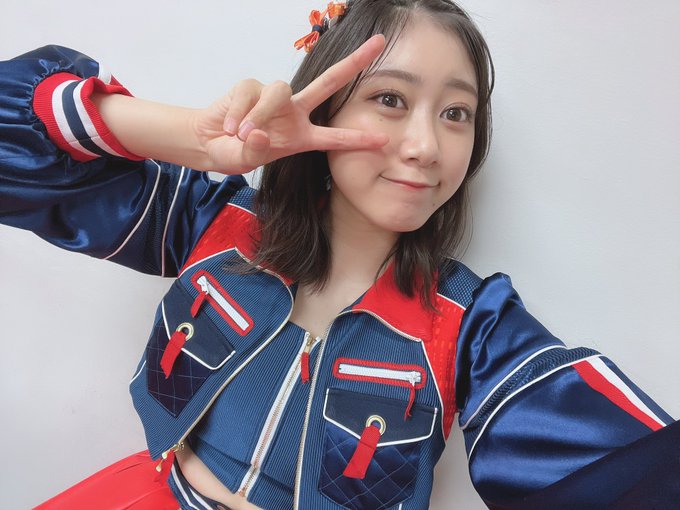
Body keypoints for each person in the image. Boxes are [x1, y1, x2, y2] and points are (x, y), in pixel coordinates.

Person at [0, 1, 678, 509]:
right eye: (391, 99)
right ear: (323, 108)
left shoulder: (472, 327)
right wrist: (201, 142)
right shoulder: (215, 226)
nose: (425, 147)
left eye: (456, 113)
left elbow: (637, 474)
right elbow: (16, 143)